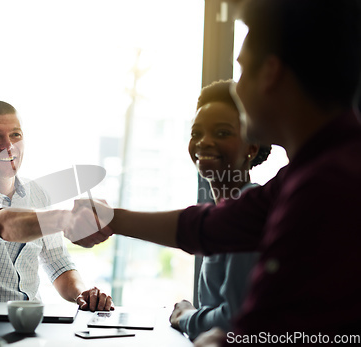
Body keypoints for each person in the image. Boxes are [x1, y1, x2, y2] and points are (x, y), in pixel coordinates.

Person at [65, 0, 361, 342]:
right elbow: (207, 227)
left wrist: (204, 329)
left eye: (242, 71)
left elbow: (253, 328)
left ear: (270, 73)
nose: (238, 91)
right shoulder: (307, 174)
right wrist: (111, 218)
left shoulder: (327, 185)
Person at [0, 100, 114, 312]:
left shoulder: (38, 194)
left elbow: (58, 263)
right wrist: (67, 219)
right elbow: (1, 225)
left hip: (29, 320)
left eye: (15, 135)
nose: (8, 146)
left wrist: (82, 294)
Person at [169, 80, 270, 341]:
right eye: (196, 133)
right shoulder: (223, 210)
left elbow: (234, 318)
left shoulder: (249, 211)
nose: (204, 142)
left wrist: (186, 316)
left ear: (252, 147)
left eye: (222, 133)